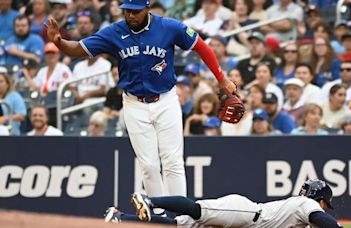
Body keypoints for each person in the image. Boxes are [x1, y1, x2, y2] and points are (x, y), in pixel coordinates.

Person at [45, 0, 237, 203]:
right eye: (127, 10)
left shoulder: (169, 27)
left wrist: (221, 78)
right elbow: (78, 49)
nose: (130, 15)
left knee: (173, 161)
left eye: (135, 11)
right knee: (149, 165)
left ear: (147, 8)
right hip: (133, 103)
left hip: (166, 100)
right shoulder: (114, 31)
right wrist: (59, 42)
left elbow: (201, 47)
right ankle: (160, 214)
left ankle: (181, 215)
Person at [105, 179, 342, 228]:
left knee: (179, 225)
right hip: (247, 214)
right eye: (324, 203)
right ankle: (149, 200)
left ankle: (121, 218)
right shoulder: (305, 204)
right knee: (197, 209)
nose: (323, 207)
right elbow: (322, 220)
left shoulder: (298, 208)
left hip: (244, 222)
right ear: (318, 199)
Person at [0, 67, 27, 136]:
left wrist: (6, 118)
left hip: (11, 134)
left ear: (7, 84)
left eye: (1, 81)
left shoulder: (14, 96)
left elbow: (22, 115)